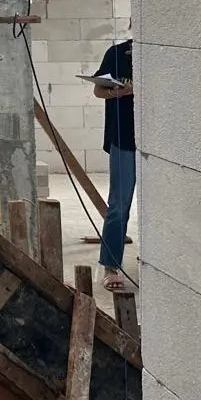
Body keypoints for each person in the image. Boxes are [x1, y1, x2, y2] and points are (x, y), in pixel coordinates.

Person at [91, 38, 135, 294]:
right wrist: (122, 92)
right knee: (119, 205)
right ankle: (110, 266)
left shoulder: (160, 52)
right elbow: (98, 90)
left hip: (158, 144)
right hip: (123, 141)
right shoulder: (117, 54)